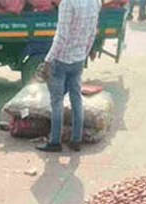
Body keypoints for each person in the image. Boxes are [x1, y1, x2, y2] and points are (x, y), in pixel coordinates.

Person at [35, 0, 100, 153]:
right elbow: (92, 33)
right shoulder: (95, 2)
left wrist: (47, 61)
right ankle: (76, 140)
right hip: (78, 59)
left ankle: (55, 141)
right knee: (76, 99)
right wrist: (84, 53)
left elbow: (61, 37)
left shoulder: (67, 3)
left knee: (56, 102)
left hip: (61, 60)